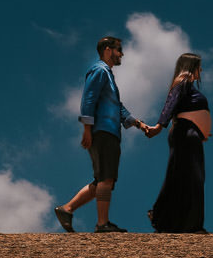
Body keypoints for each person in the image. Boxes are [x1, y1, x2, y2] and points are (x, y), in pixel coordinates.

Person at [54, 36, 152, 233]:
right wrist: (87, 129)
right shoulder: (99, 70)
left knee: (103, 179)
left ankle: (67, 209)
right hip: (103, 131)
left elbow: (117, 106)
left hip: (108, 131)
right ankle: (102, 223)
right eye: (119, 49)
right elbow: (88, 100)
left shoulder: (107, 75)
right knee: (106, 179)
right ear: (108, 50)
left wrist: (139, 123)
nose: (121, 54)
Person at [144, 53, 212, 233]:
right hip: (185, 133)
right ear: (191, 67)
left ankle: (167, 218)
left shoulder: (186, 84)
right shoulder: (184, 80)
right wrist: (159, 126)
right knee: (192, 177)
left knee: (182, 176)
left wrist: (201, 128)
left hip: (189, 133)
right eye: (199, 66)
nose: (201, 70)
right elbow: (171, 102)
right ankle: (189, 224)